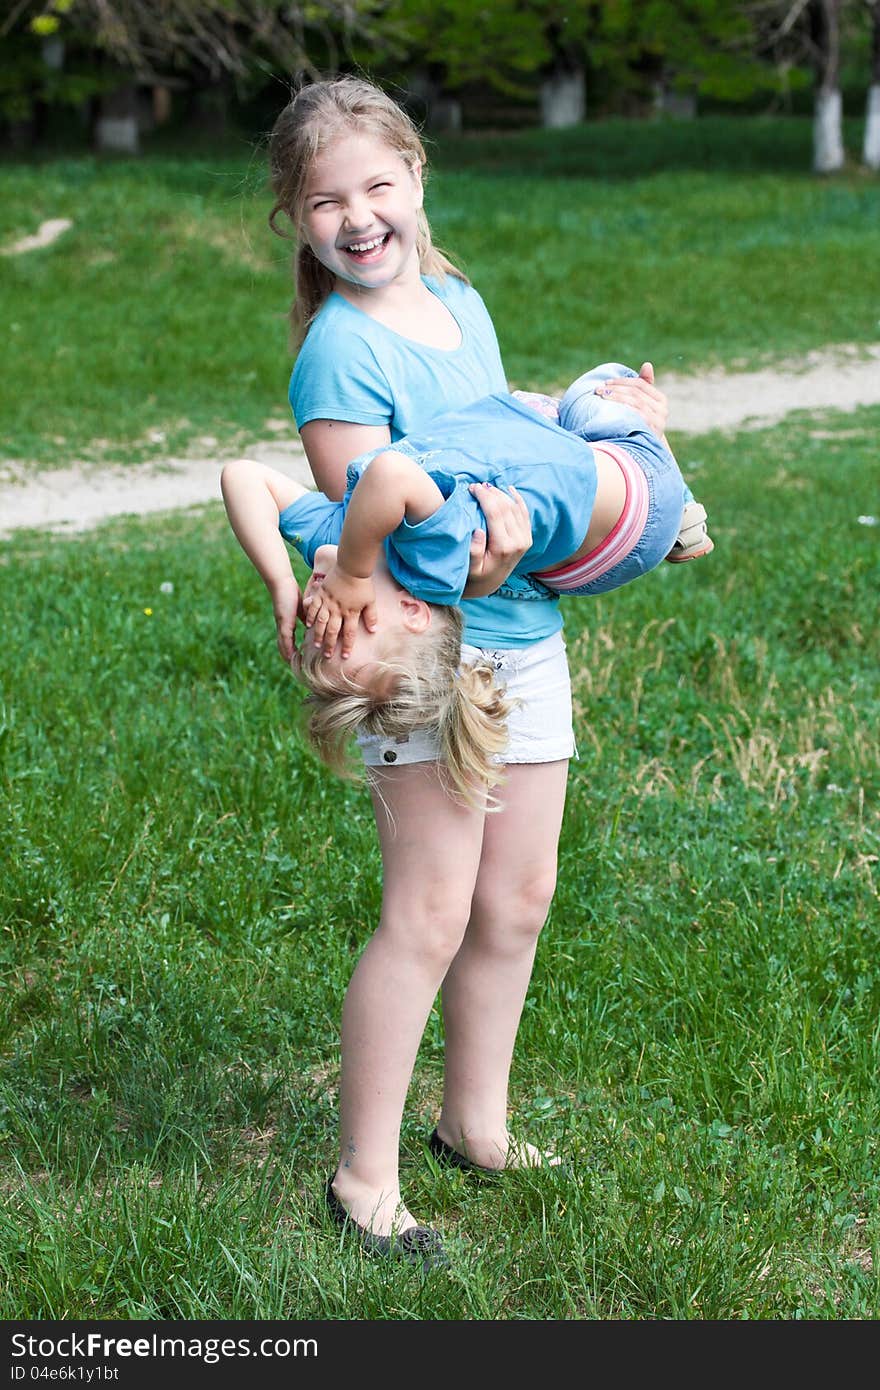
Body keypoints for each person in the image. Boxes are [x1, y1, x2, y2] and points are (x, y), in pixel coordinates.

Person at [248, 74, 672, 1267]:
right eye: (326, 199)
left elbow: (492, 424)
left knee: (517, 896)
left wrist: (591, 414)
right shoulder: (337, 356)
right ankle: (361, 1180)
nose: (358, 214)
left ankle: (473, 1122)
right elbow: (366, 542)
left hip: (525, 638)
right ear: (297, 218)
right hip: (428, 663)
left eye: (378, 184)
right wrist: (470, 581)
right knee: (427, 912)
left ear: (418, 179)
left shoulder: (453, 297)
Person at [223, 360, 709, 805]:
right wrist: (351, 572)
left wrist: (281, 584)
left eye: (314, 626)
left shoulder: (338, 542)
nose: (324, 606)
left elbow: (243, 476)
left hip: (573, 564)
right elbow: (389, 473)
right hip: (640, 499)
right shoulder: (422, 561)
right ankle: (683, 504)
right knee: (595, 389)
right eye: (349, 624)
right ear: (414, 612)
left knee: (531, 428)